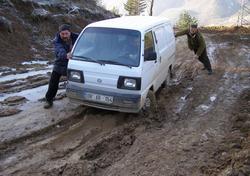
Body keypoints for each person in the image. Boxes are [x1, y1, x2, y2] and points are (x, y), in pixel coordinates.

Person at [44, 24, 79, 109]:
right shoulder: (57, 40)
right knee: (53, 82)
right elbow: (59, 50)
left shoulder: (78, 37)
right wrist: (65, 55)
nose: (64, 36)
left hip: (75, 62)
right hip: (60, 62)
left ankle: (82, 98)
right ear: (59, 33)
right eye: (62, 34)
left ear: (70, 32)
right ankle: (49, 100)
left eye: (66, 33)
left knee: (78, 81)